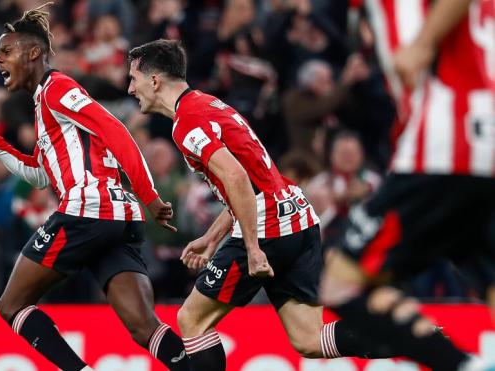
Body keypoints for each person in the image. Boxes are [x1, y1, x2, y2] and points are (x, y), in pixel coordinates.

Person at [127, 39, 399, 371]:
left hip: (268, 227)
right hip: (297, 215)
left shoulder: (187, 123)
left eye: (134, 79)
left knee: (191, 320)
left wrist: (253, 247)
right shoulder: (209, 104)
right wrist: (213, 238)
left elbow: (238, 179)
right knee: (309, 339)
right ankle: (401, 336)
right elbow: (248, 180)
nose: (130, 88)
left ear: (155, 81)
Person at [0, 3, 188, 371]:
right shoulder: (43, 107)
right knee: (143, 326)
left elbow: (114, 129)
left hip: (88, 210)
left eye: (5, 51)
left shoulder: (57, 88)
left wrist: (150, 195)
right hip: (117, 217)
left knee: (12, 305)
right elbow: (39, 174)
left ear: (32, 52)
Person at [319, 0, 495, 370]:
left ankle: (464, 366)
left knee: (341, 282)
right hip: (477, 143)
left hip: (446, 145)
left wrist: (422, 43)